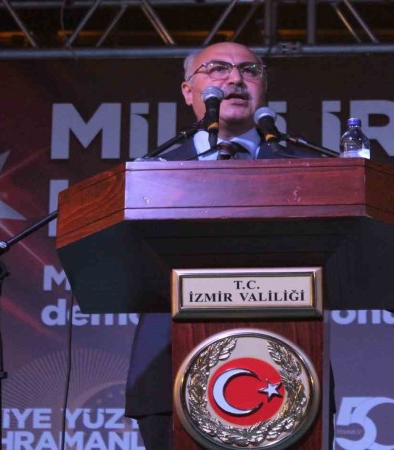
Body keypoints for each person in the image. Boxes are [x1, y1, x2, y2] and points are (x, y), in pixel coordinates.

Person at [123, 42, 325, 449]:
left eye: (249, 70)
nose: (235, 79)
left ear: (263, 88)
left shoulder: (309, 170)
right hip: (169, 368)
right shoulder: (151, 173)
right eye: (217, 69)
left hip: (292, 369)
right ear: (188, 91)